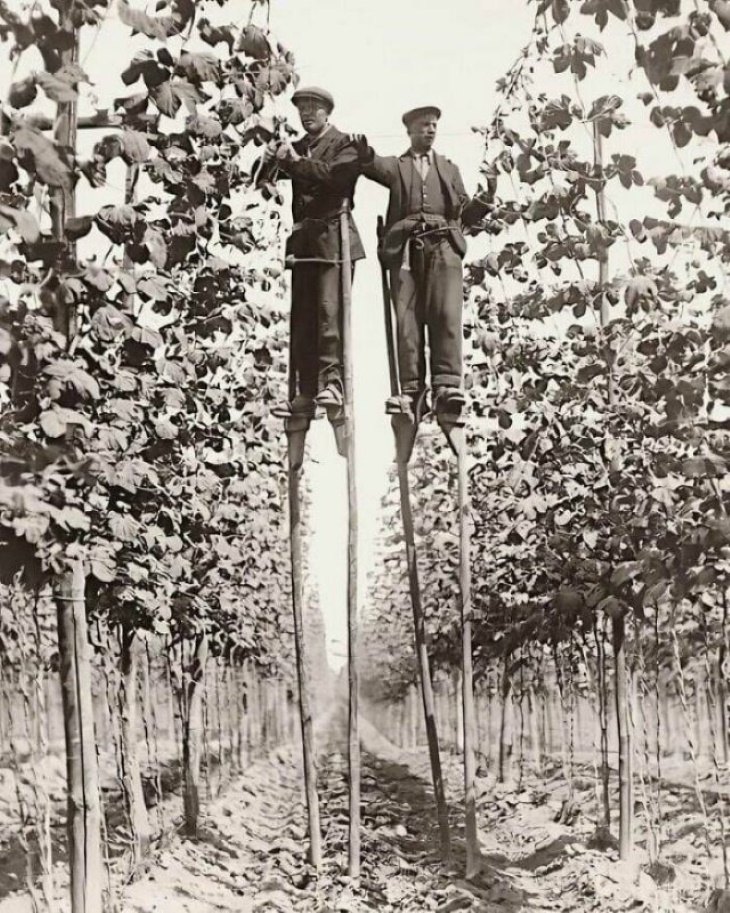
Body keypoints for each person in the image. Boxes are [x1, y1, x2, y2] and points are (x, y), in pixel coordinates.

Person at [352, 106, 494, 418]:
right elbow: (375, 166)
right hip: (405, 248)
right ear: (410, 131)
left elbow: (465, 213)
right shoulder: (398, 167)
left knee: (446, 313)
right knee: (407, 321)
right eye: (423, 126)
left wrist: (487, 198)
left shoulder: (449, 168)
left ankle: (446, 387)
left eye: (433, 125)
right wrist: (364, 155)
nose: (429, 130)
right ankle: (412, 392)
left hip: (443, 245)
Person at [261, 86, 364, 417]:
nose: (306, 115)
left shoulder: (345, 144)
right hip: (305, 242)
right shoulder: (299, 147)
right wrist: (270, 159)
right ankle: (305, 391)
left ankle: (332, 383)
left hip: (334, 237)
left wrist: (294, 162)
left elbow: (336, 180)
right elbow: (264, 179)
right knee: (303, 317)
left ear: (327, 112)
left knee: (328, 312)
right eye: (302, 110)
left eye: (313, 109)